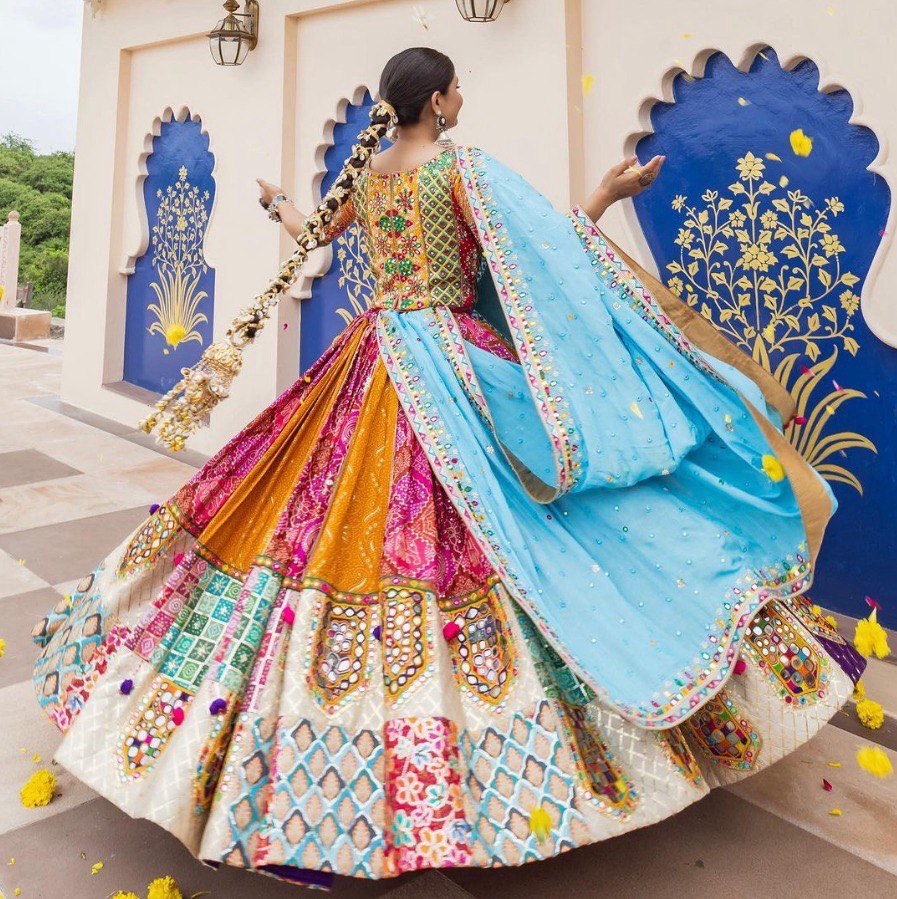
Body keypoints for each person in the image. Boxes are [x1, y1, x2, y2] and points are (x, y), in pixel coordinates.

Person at [32, 46, 864, 889]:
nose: (462, 96)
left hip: (371, 355)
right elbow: (544, 257)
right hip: (452, 369)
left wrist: (279, 201)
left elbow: (311, 239)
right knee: (512, 524)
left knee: (332, 520)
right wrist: (606, 199)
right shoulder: (460, 169)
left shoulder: (371, 174)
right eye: (457, 85)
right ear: (436, 99)